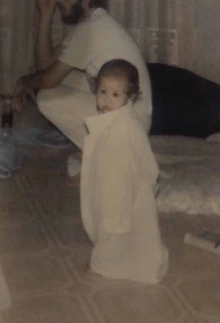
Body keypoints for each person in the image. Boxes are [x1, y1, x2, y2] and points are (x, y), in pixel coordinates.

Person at [12, 0, 152, 171]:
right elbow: (44, 66)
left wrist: (23, 82)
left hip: (132, 122)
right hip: (124, 108)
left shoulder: (92, 29)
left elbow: (48, 80)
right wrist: (46, 15)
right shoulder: (89, 23)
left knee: (46, 97)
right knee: (52, 77)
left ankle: (111, 159)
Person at [81, 59, 169, 283]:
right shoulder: (112, 120)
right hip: (111, 184)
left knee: (115, 227)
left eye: (115, 95)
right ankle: (115, 259)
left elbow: (139, 160)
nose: (106, 100)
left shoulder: (125, 127)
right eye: (103, 92)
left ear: (130, 97)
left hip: (122, 189)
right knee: (112, 225)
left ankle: (102, 265)